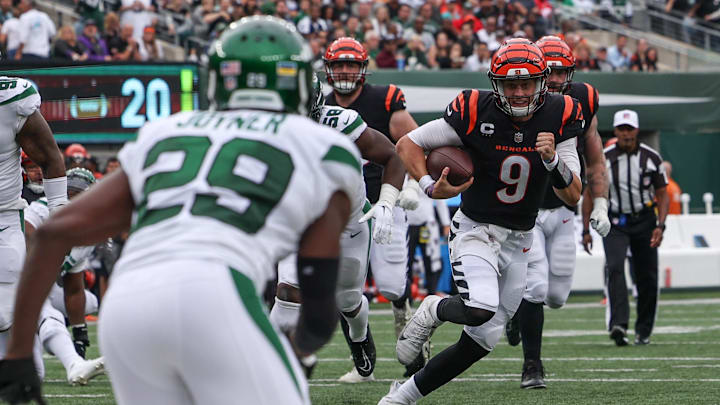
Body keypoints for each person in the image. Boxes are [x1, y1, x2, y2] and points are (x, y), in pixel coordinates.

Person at [0, 17, 361, 405]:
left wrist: (20, 353)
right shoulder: (327, 148)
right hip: (216, 291)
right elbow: (321, 306)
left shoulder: (167, 132)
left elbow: (56, 234)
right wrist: (299, 349)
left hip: (128, 304)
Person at [378, 38, 584, 404]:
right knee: (480, 308)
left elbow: (574, 194)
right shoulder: (475, 110)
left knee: (482, 340)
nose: (519, 93)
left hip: (520, 238)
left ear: (542, 81)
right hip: (475, 230)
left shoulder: (562, 113)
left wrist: (553, 161)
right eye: (510, 84)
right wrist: (428, 185)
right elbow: (407, 143)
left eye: (526, 84)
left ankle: (401, 397)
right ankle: (434, 308)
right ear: (495, 84)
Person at [270, 73, 406, 383]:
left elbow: (392, 156)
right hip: (299, 224)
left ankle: (360, 341)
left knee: (347, 301)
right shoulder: (267, 131)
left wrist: (386, 200)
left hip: (349, 226)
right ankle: (272, 366)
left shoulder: (342, 122)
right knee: (289, 291)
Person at [502, 36, 610, 389]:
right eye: (550, 72)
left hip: (564, 207)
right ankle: (532, 365)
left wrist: (602, 201)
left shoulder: (582, 100)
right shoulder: (515, 98)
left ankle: (517, 311)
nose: (555, 80)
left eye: (563, 72)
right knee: (534, 287)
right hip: (527, 209)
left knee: (557, 296)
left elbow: (594, 158)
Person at [323, 36, 426, 378]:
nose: (346, 71)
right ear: (329, 69)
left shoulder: (385, 100)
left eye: (352, 64)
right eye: (339, 65)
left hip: (385, 198)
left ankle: (408, 327)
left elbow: (412, 145)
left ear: (364, 68)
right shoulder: (318, 107)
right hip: (338, 208)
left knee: (393, 285)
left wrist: (410, 186)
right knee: (343, 287)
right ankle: (361, 360)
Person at [0, 75, 67, 388]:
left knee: (4, 315)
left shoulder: (11, 100)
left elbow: (51, 157)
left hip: (2, 220)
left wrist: (60, 216)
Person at [23, 167, 106, 385]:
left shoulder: (89, 234)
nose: (74, 194)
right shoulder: (43, 209)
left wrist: (80, 332)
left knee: (89, 301)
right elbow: (25, 229)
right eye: (71, 188)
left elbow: (74, 288)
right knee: (49, 315)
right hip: (15, 281)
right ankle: (73, 364)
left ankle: (61, 344)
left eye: (81, 190)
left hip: (38, 288)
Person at [599, 109, 669, 346]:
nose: (626, 134)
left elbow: (662, 192)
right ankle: (619, 324)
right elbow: (591, 191)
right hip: (616, 221)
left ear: (637, 130)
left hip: (645, 219)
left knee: (646, 276)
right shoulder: (604, 157)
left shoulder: (651, 157)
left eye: (629, 129)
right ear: (615, 131)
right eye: (621, 129)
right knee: (615, 267)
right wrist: (588, 226)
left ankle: (644, 329)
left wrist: (661, 224)